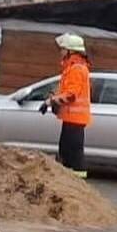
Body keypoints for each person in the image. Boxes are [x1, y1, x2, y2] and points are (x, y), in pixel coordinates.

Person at [44, 33, 92, 179]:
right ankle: (69, 181)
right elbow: (64, 91)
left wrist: (50, 102)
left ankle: (77, 184)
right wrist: (53, 98)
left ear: (71, 51)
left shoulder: (77, 68)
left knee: (73, 154)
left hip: (75, 119)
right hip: (71, 118)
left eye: (63, 49)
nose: (61, 52)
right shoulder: (71, 67)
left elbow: (71, 95)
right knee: (66, 152)